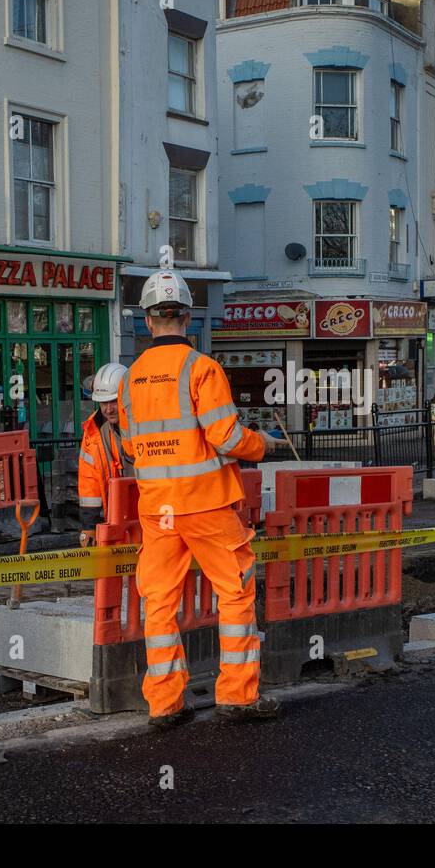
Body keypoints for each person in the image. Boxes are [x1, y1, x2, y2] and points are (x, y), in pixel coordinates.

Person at [118, 270, 283, 730]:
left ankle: (165, 704)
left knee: (159, 603)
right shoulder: (202, 368)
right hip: (207, 504)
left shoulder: (130, 381)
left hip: (157, 510)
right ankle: (236, 696)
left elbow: (132, 446)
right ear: (187, 317)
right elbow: (226, 437)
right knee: (235, 591)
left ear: (148, 321)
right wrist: (262, 444)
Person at [77, 363, 131, 543]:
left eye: (113, 401)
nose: (108, 409)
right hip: (117, 516)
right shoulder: (93, 433)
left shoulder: (143, 425)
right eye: (103, 403)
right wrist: (89, 527)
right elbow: (89, 483)